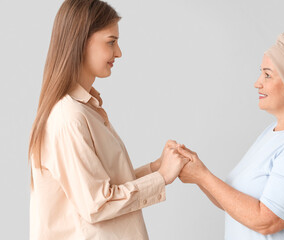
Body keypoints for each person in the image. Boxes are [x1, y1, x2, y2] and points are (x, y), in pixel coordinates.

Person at [28, 0, 188, 239]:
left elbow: (101, 188)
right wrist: (161, 177)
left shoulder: (84, 110)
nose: (119, 53)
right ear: (80, 42)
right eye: (111, 42)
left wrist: (155, 168)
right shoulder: (69, 118)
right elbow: (97, 204)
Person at [177, 33, 284, 240]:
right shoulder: (273, 133)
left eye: (267, 75)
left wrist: (202, 175)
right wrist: (196, 171)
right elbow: (233, 204)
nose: (257, 83)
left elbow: (266, 221)